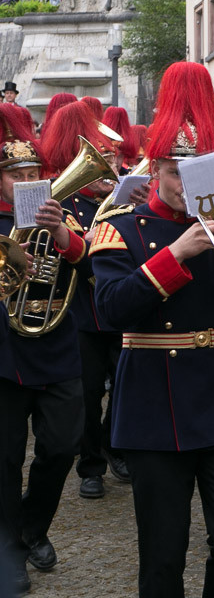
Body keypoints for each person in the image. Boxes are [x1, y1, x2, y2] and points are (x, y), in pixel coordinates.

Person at [90, 61, 214, 597]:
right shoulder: (118, 227)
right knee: (163, 552)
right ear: (154, 170)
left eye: (199, 173)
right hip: (155, 399)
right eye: (176, 172)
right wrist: (175, 254)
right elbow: (109, 309)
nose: (186, 185)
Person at [0, 107, 90, 596]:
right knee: (5, 459)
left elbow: (93, 266)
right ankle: (10, 551)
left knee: (61, 448)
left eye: (33, 173)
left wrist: (60, 235)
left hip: (56, 349)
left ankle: (32, 528)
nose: (27, 182)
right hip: (4, 355)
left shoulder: (63, 213)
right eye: (16, 175)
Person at [39, 102, 131, 502]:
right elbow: (77, 251)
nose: (107, 168)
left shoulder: (124, 196)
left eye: (111, 158)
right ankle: (90, 464)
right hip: (84, 312)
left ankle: (114, 446)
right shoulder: (70, 200)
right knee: (90, 393)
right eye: (100, 159)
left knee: (126, 385)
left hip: (122, 307)